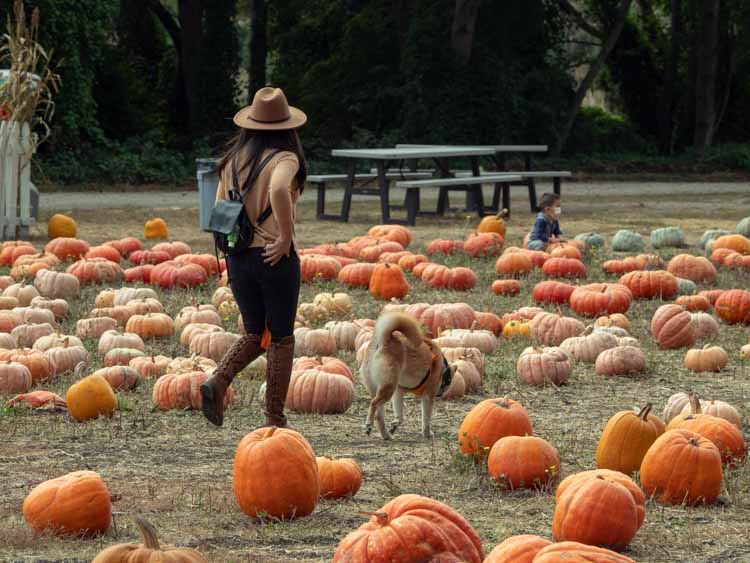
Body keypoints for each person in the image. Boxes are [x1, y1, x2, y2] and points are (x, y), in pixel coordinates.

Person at [200, 87, 307, 428]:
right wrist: (286, 236)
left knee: (253, 331)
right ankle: (274, 419)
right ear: (287, 127)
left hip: (238, 257)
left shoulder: (233, 161)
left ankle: (217, 380)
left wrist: (227, 253)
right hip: (274, 257)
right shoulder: (285, 158)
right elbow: (278, 189)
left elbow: (219, 209)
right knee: (280, 338)